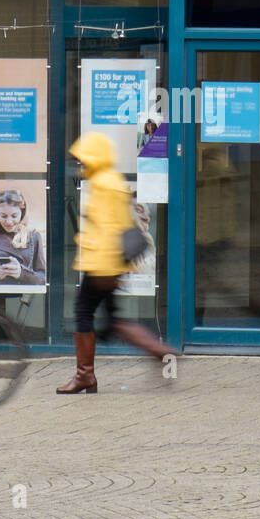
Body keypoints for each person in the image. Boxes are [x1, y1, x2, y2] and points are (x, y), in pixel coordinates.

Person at [57, 132, 174, 395]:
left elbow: (109, 228)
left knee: (83, 312)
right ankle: (159, 351)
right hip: (109, 263)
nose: (79, 165)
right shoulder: (111, 180)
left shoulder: (103, 184)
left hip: (102, 263)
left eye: (82, 160)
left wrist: (106, 268)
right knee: (113, 319)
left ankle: (84, 375)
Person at [0, 189, 46, 286]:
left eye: (14, 216)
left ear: (22, 213)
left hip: (24, 298)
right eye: (3, 216)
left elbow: (43, 279)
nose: (9, 221)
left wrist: (22, 274)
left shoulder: (33, 237)